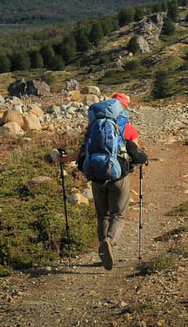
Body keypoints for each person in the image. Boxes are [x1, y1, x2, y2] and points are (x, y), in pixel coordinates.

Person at [55, 92, 147, 270]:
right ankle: (110, 242)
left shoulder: (94, 126)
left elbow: (82, 152)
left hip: (96, 176)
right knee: (119, 214)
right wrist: (141, 159)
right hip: (118, 177)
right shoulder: (127, 127)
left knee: (102, 215)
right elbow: (135, 154)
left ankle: (103, 253)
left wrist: (63, 159)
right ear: (124, 108)